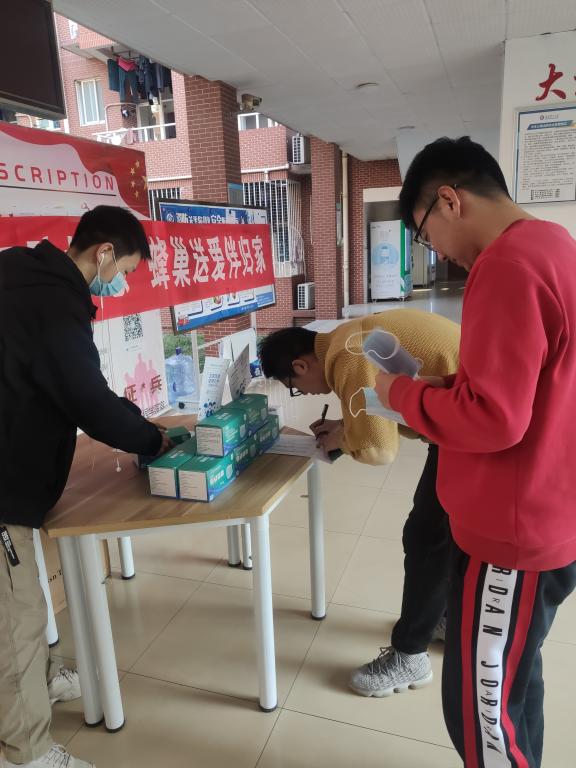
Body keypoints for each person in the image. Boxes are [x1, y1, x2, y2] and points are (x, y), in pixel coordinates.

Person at [374, 136, 576, 767]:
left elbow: (496, 420)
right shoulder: (554, 245)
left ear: (449, 200)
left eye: (424, 232)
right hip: (550, 506)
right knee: (515, 685)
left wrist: (399, 393)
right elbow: (535, 384)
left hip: (511, 533)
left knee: (484, 714)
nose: (433, 249)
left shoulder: (505, 265)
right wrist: (449, 388)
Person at [0, 206, 171, 768]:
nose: (121, 283)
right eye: (125, 270)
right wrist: (149, 439)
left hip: (15, 465)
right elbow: (87, 399)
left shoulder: (21, 272)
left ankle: (40, 680)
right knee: (17, 618)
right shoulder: (54, 305)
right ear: (104, 253)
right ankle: (26, 753)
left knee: (23, 597)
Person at [258, 309, 460, 696]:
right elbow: (387, 403)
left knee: (427, 539)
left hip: (473, 424)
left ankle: (410, 656)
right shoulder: (346, 338)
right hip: (466, 416)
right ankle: (440, 617)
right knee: (437, 534)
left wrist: (344, 439)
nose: (308, 395)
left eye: (295, 387)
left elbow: (378, 449)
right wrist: (344, 426)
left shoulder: (346, 355)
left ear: (300, 365)